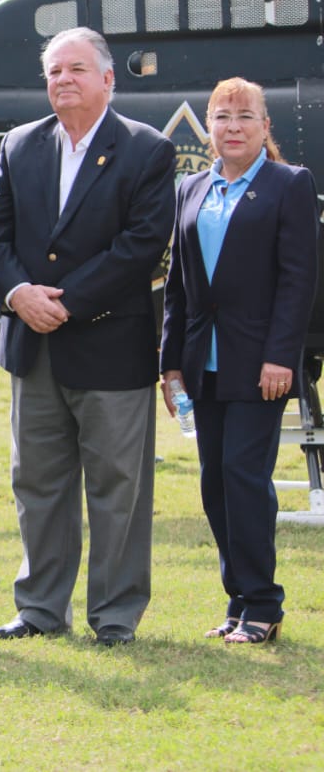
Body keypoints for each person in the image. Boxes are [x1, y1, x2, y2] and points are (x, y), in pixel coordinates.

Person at [0, 26, 175, 646]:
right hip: (32, 347)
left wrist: (63, 302)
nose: (63, 80)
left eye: (77, 70)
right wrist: (19, 295)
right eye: (54, 71)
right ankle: (39, 610)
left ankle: (114, 616)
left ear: (108, 79)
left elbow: (140, 247)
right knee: (36, 482)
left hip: (110, 346)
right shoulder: (18, 144)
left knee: (117, 487)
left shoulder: (146, 150)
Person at [160, 78, 317, 645]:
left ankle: (264, 605)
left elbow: (299, 282)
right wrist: (170, 361)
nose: (232, 126)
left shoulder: (288, 185)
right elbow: (178, 283)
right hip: (203, 362)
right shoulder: (190, 187)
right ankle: (238, 600)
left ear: (264, 127)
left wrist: (282, 356)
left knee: (243, 477)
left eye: (244, 116)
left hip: (260, 365)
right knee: (212, 483)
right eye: (222, 117)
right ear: (209, 126)